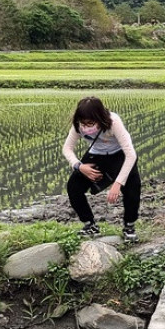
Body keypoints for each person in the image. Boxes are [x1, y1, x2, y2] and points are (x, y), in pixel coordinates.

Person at [63, 96, 141, 242]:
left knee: (132, 188)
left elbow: (131, 154)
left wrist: (117, 184)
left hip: (120, 155)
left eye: (91, 123)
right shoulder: (77, 125)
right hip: (96, 156)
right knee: (73, 186)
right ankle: (89, 225)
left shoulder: (113, 122)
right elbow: (67, 148)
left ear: (100, 117)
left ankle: (129, 226)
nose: (86, 127)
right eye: (83, 123)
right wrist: (79, 166)